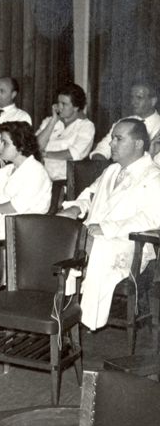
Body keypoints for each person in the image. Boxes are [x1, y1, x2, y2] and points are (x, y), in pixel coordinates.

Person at [57, 118, 160, 330]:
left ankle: (80, 317)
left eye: (118, 139)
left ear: (138, 144)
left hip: (128, 242)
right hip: (94, 235)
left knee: (88, 246)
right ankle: (57, 309)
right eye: (112, 138)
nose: (111, 144)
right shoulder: (112, 170)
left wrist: (107, 228)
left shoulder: (154, 176)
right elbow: (91, 194)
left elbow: (151, 218)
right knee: (58, 234)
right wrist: (77, 207)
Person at [0, 121, 52, 239]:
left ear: (20, 146)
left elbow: (15, 206)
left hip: (25, 232)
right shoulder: (8, 170)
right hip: (4, 224)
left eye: (4, 143)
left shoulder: (36, 171)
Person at [35, 83, 96, 181]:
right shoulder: (49, 121)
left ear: (76, 107)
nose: (59, 107)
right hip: (41, 176)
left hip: (65, 180)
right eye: (58, 102)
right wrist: (54, 121)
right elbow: (36, 146)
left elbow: (75, 154)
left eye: (64, 104)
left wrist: (45, 154)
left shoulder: (86, 126)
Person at [91, 81, 160, 160]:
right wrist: (101, 165)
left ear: (153, 101)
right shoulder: (123, 123)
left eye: (139, 97)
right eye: (132, 97)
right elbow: (101, 150)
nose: (133, 102)